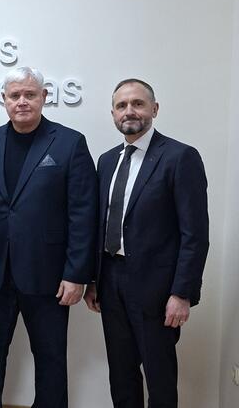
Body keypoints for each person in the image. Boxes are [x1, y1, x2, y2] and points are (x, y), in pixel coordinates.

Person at [0, 66, 98, 408]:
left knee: (51, 359)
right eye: (15, 95)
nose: (22, 101)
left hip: (49, 276)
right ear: (4, 100)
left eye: (30, 94)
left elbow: (83, 213)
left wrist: (76, 274)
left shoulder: (70, 143)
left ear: (44, 97)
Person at [83, 79, 209, 408]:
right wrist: (94, 280)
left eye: (138, 103)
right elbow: (99, 224)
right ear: (113, 114)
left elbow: (195, 234)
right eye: (121, 105)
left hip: (157, 289)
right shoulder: (106, 161)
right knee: (121, 373)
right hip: (110, 281)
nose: (129, 111)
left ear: (154, 109)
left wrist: (182, 293)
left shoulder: (180, 157)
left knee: (159, 375)